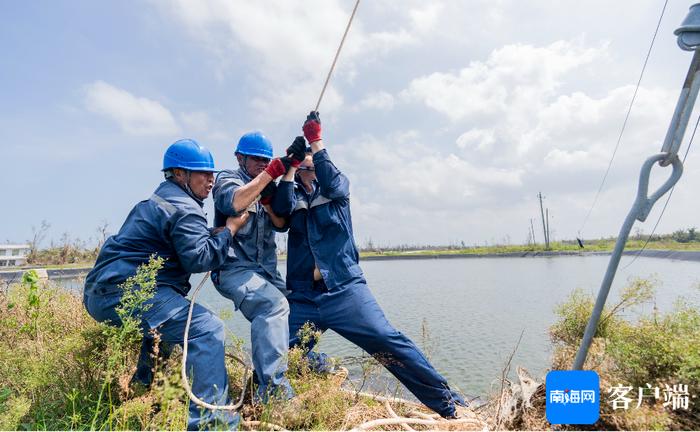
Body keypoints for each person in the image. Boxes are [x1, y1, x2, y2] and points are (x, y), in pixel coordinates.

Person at [272, 113, 468, 418]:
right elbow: (281, 209)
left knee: (387, 342)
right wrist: (290, 165)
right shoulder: (293, 196)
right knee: (276, 352)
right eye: (304, 165)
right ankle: (319, 368)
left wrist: (316, 141)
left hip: (344, 290)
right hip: (303, 297)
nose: (309, 167)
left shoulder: (336, 191)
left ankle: (448, 404)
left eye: (312, 164)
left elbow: (332, 178)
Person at [83, 139, 248, 430]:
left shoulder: (157, 201)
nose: (210, 181)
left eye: (212, 174)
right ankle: (213, 423)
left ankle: (145, 394)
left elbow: (174, 242)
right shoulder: (185, 207)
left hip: (101, 293)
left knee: (161, 328)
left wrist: (210, 232)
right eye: (202, 174)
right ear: (179, 174)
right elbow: (200, 259)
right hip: (127, 292)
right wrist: (230, 231)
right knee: (207, 330)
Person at [211, 131, 305, 402]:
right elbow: (233, 201)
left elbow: (280, 223)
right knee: (272, 307)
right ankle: (274, 395)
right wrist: (270, 173)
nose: (262, 165)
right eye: (256, 160)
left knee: (296, 310)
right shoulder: (228, 179)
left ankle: (266, 376)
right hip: (232, 269)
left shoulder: (268, 184)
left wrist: (290, 168)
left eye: (266, 160)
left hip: (266, 272)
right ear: (240, 158)